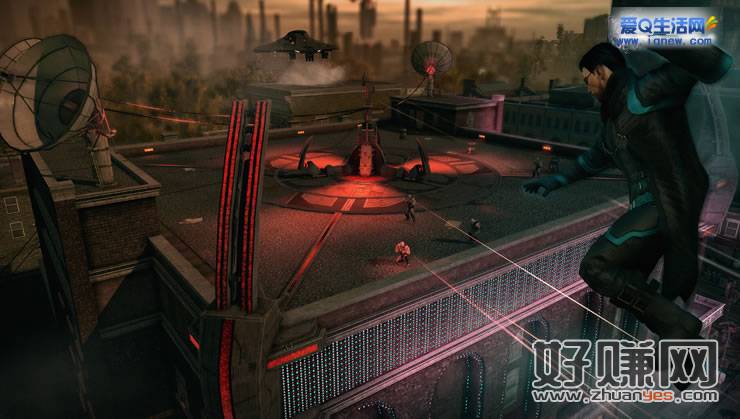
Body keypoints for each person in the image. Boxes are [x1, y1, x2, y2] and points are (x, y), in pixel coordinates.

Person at [522, 43, 733, 348]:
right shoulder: (614, 122)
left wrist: (658, 37)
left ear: (601, 71)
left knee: (596, 266)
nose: (587, 88)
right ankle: (677, 337)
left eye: (587, 79)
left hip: (662, 206)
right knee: (630, 285)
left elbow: (715, 64)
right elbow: (593, 159)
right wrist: (556, 180)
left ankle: (678, 326)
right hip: (649, 209)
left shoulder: (644, 92)